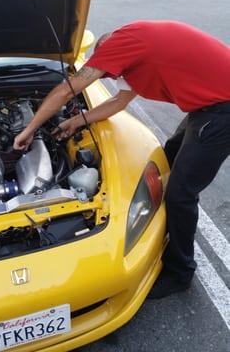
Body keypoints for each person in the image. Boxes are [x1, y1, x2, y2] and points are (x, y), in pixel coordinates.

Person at [14, 20, 230, 298]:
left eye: (106, 72)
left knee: (181, 193)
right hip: (207, 105)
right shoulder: (138, 45)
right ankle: (163, 226)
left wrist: (29, 130)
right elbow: (120, 101)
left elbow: (69, 89)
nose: (108, 76)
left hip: (221, 111)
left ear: (106, 48)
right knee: (169, 157)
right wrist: (77, 120)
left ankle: (180, 272)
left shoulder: (120, 44)